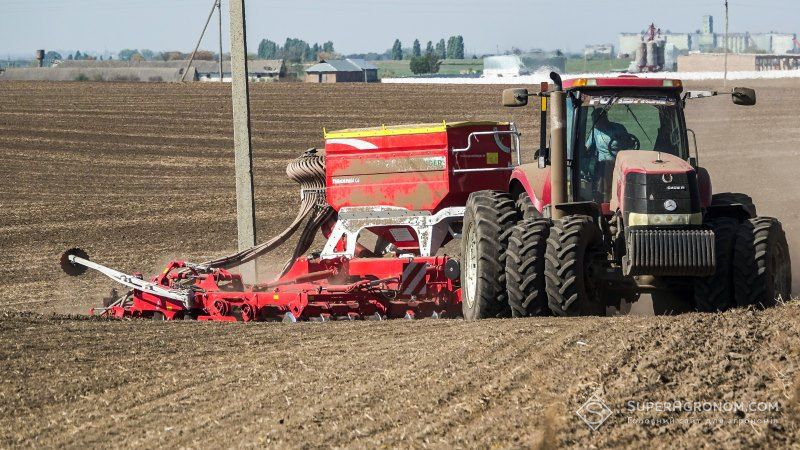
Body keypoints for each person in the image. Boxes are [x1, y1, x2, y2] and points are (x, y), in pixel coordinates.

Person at [585, 108, 631, 202]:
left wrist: (621, 140)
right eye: (593, 120)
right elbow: (587, 146)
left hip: (619, 161)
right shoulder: (595, 131)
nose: (595, 122)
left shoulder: (618, 128)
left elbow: (629, 142)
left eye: (597, 119)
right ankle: (604, 199)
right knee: (605, 174)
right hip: (602, 163)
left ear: (604, 118)